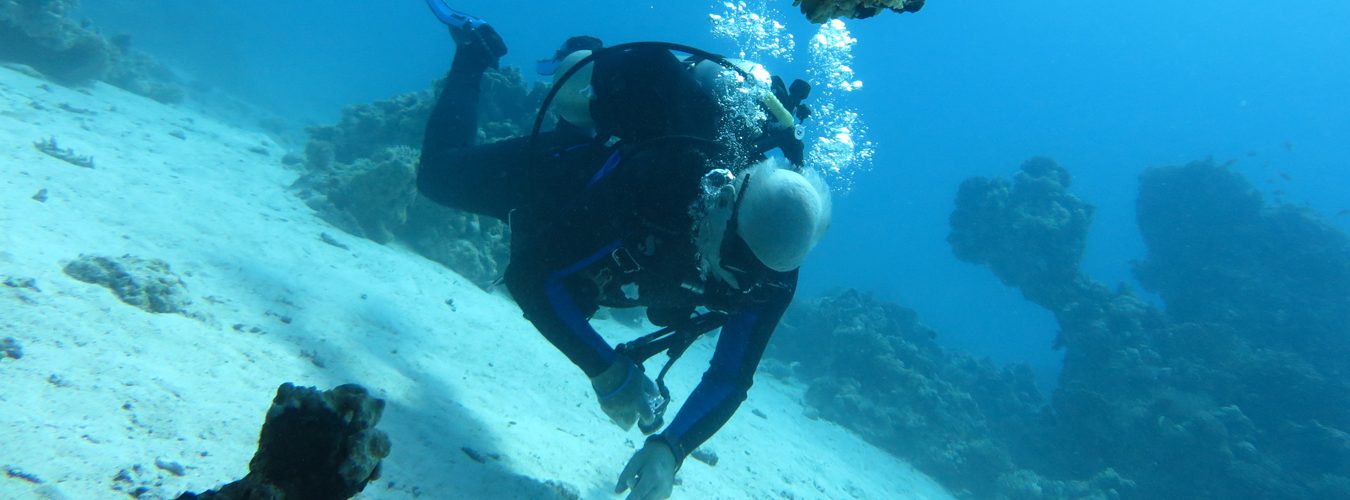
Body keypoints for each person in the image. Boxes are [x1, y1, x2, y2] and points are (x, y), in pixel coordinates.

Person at [417, 5, 830, 499]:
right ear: (721, 208)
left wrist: (669, 450)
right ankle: (476, 51)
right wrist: (609, 372)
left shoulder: (774, 266)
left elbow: (730, 376)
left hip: (623, 233)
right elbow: (530, 277)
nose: (741, 286)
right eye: (735, 266)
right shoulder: (665, 181)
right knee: (438, 177)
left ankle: (581, 83)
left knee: (586, 295)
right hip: (576, 184)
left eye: (754, 279)